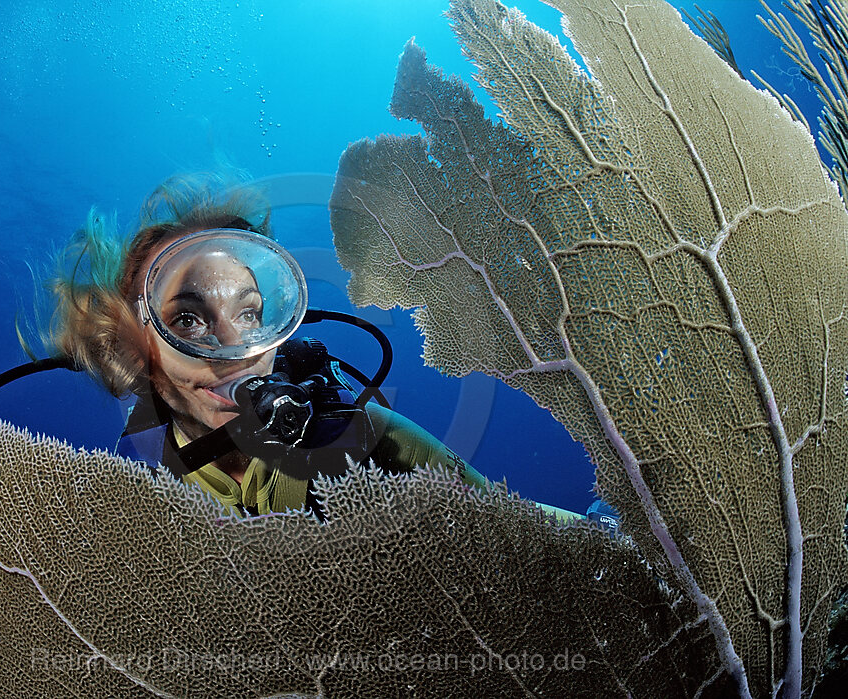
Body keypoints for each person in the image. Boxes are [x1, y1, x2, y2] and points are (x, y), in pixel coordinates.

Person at [41, 173, 578, 522]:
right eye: (188, 318)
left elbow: (531, 533)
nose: (237, 348)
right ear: (132, 349)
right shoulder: (133, 502)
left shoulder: (367, 440)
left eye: (250, 312)